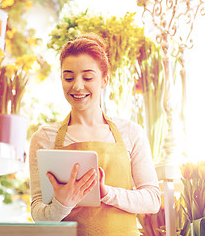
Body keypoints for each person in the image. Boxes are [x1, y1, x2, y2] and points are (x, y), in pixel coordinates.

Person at [29, 33, 161, 236]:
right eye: (68, 77)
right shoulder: (44, 137)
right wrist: (62, 204)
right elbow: (38, 213)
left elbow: (152, 199)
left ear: (104, 80)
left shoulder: (131, 132)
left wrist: (107, 193)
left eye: (88, 77)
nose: (77, 86)